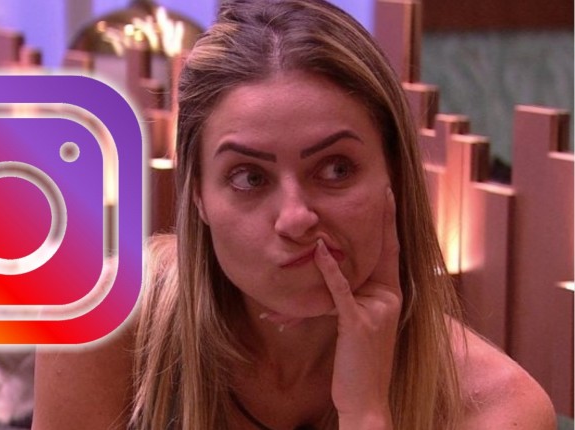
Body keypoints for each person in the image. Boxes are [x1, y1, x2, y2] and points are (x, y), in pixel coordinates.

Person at [32, 0, 556, 429]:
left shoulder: (498, 408)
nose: (296, 217)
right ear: (198, 198)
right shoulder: (103, 319)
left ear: (394, 176)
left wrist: (366, 412)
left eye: (335, 169)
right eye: (249, 177)